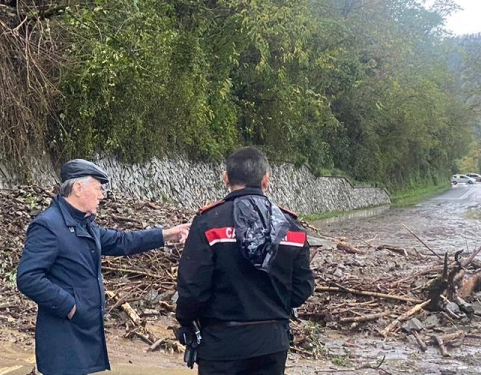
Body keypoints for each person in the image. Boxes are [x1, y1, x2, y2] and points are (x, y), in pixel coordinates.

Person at [16, 159, 190, 375]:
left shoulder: (84, 223)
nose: (102, 195)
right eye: (98, 188)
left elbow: (122, 241)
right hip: (62, 333)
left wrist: (166, 235)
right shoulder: (48, 225)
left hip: (82, 331)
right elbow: (28, 277)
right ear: (78, 188)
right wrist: (69, 306)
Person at [174, 147, 317, 375]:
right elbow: (302, 287)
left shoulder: (209, 222)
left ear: (226, 178)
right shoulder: (290, 226)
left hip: (220, 344)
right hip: (272, 344)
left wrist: (186, 321)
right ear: (265, 180)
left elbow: (192, 287)